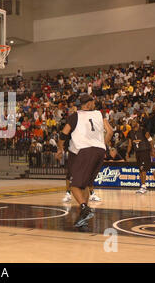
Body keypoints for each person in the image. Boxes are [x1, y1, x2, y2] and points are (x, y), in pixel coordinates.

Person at [56, 94, 113, 227]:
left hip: (84, 151)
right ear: (88, 104)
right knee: (86, 184)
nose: (94, 104)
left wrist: (60, 148)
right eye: (93, 102)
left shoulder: (75, 116)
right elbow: (110, 131)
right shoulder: (100, 114)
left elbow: (64, 134)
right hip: (99, 151)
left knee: (74, 185)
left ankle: (84, 208)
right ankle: (83, 217)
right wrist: (102, 145)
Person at [126, 120, 155, 194]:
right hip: (137, 152)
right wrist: (127, 153)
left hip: (144, 151)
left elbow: (150, 140)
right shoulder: (130, 133)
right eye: (131, 122)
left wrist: (153, 150)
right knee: (140, 169)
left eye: (133, 122)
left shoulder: (143, 130)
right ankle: (142, 185)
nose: (132, 123)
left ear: (137, 123)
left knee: (143, 169)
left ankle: (143, 186)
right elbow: (130, 144)